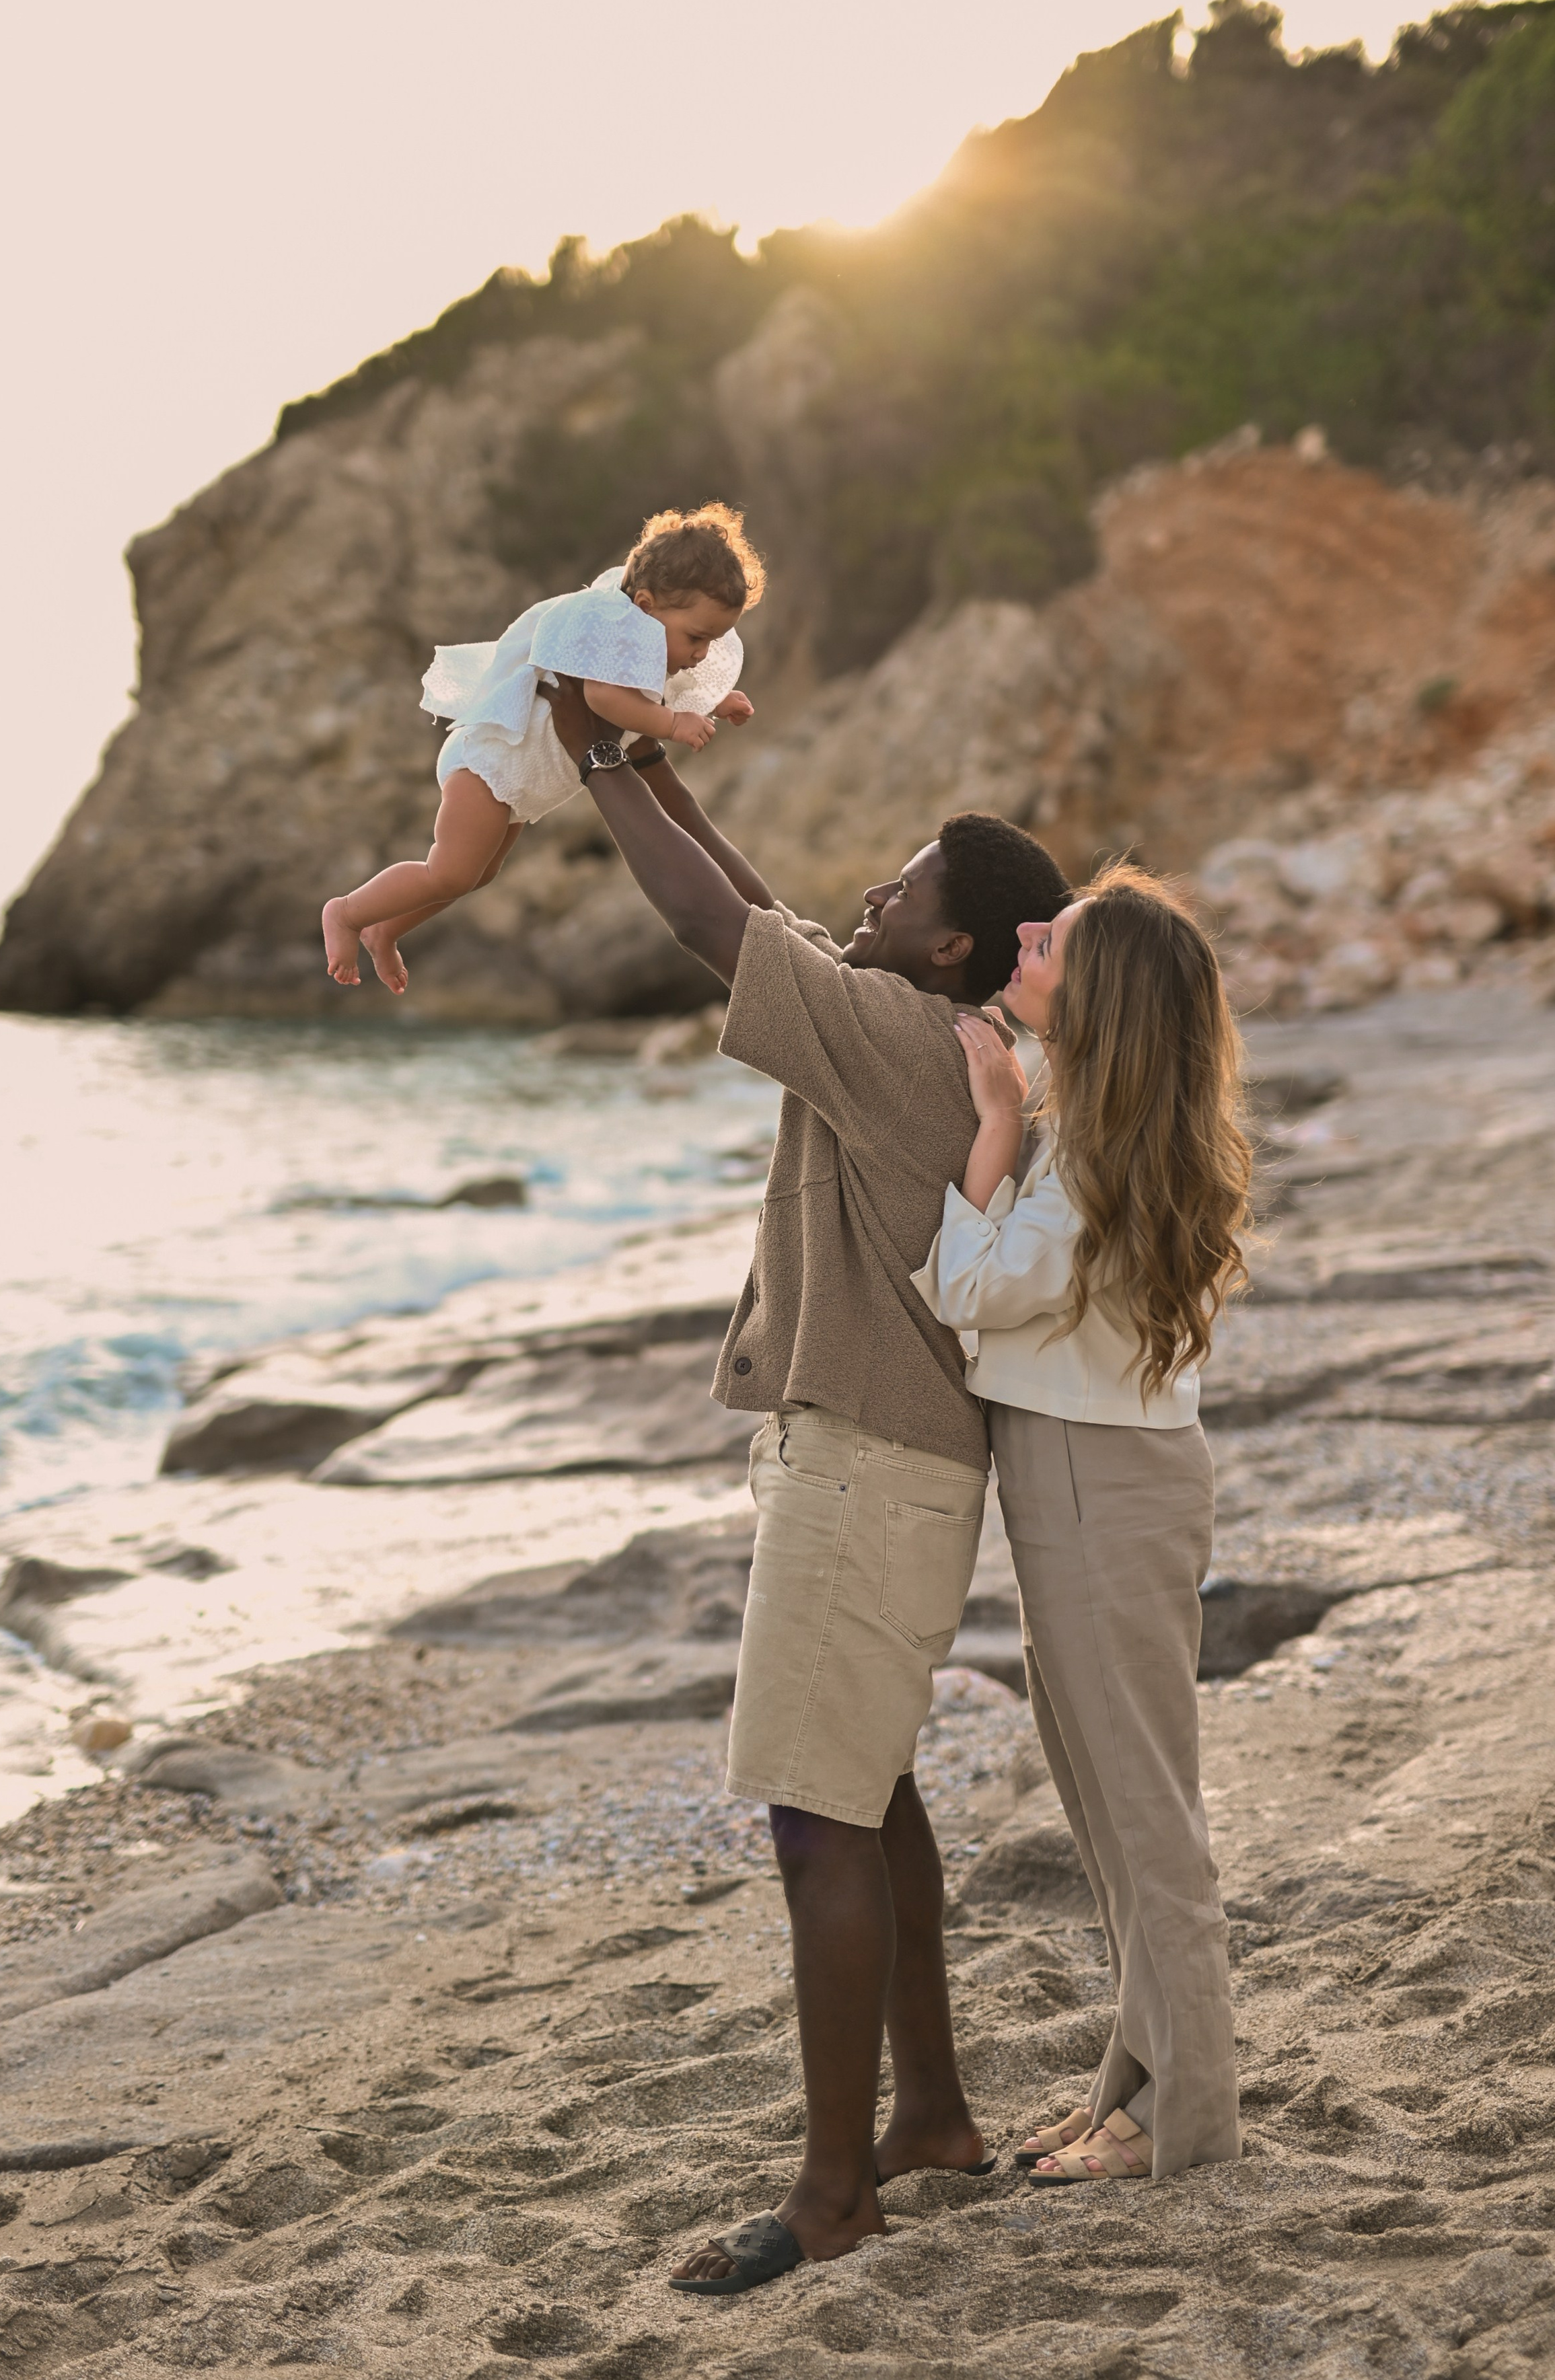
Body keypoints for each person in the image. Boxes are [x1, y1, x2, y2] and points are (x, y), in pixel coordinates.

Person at [540, 671, 1070, 2295]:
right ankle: (930, 2116)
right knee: (872, 1788)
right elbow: (765, 910)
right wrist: (636, 755)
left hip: (863, 1470)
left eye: (902, 886)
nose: (871, 891)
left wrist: (583, 760)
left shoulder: (904, 1037)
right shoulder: (927, 1026)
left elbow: (716, 925)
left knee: (813, 1822)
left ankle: (834, 2194)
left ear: (948, 946)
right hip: (876, 1464)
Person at [912, 865, 1252, 2186]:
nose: (1026, 936)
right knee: (1109, 1810)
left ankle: (1188, 2123)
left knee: (1143, 1821)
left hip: (1098, 1494)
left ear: (1095, 1001)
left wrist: (991, 1117)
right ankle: (1134, 2083)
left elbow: (967, 1289)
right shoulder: (1110, 1146)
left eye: (1053, 940)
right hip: (1088, 1485)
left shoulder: (1093, 1164)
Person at [321, 505, 762, 992]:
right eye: (696, 638)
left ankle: (386, 928)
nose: (701, 654)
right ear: (644, 606)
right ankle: (346, 913)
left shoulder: (650, 647)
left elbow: (660, 688)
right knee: (449, 870)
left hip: (520, 789)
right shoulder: (607, 635)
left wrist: (717, 700)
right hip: (490, 764)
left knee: (476, 875)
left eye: (711, 642)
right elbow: (605, 698)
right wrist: (674, 723)